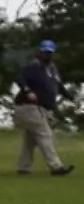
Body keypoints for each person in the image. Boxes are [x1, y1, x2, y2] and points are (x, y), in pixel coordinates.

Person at [13, 40, 74, 176]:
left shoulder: (53, 70)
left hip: (42, 108)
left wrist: (71, 98)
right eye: (45, 52)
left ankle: (23, 167)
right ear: (40, 52)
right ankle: (56, 167)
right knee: (45, 134)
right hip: (28, 107)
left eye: (50, 53)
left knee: (31, 139)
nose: (47, 55)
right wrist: (28, 91)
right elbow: (19, 79)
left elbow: (59, 87)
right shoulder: (32, 68)